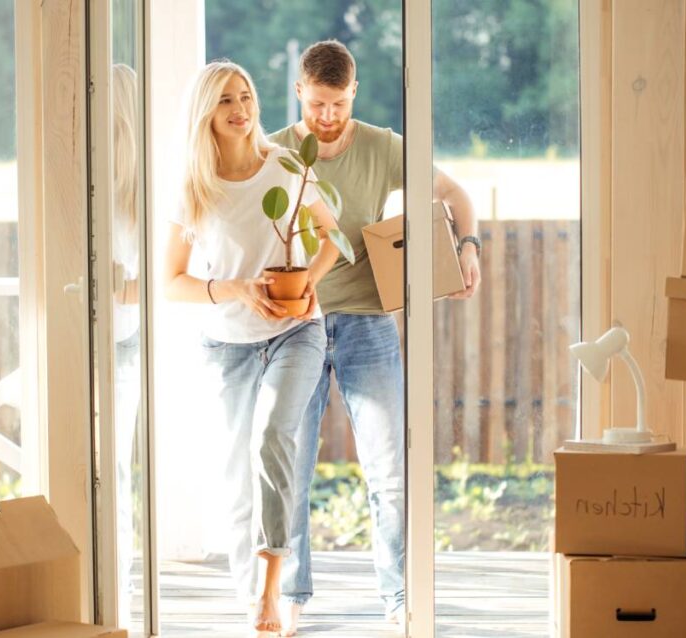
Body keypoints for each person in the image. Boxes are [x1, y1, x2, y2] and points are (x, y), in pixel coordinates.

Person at [268, 40, 482, 634]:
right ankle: (291, 595)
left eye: (337, 104)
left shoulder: (385, 146)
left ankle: (399, 599)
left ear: (353, 93)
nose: (327, 117)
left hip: (368, 323)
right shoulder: (277, 152)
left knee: (390, 470)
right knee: (291, 467)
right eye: (316, 104)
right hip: (296, 327)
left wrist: (468, 249)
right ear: (299, 93)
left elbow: (455, 194)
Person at [164, 60, 344, 634]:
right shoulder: (194, 187)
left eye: (245, 96)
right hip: (227, 346)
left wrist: (310, 279)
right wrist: (237, 289)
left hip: (295, 332)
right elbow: (172, 281)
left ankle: (274, 594)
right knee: (237, 476)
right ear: (205, 114)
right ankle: (253, 597)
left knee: (273, 440)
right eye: (224, 101)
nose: (240, 109)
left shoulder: (287, 164)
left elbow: (332, 236)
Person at [111, 62, 142, 628]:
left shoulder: (140, 197)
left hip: (120, 346)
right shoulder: (85, 186)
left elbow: (153, 284)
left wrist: (115, 283)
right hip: (88, 342)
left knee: (112, 472)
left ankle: (116, 588)